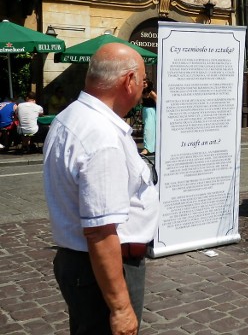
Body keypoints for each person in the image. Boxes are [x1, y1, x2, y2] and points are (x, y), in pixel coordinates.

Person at [43, 43, 159, 335]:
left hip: (83, 265)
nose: (142, 87)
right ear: (128, 81)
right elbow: (100, 231)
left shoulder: (70, 116)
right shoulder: (101, 136)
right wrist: (120, 309)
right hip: (103, 270)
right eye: (143, 81)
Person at [140, 78, 157, 156]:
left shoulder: (151, 93)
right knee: (147, 128)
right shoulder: (142, 92)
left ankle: (147, 148)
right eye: (143, 82)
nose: (144, 84)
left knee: (149, 129)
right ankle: (151, 148)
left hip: (151, 112)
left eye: (145, 83)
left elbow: (157, 101)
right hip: (145, 111)